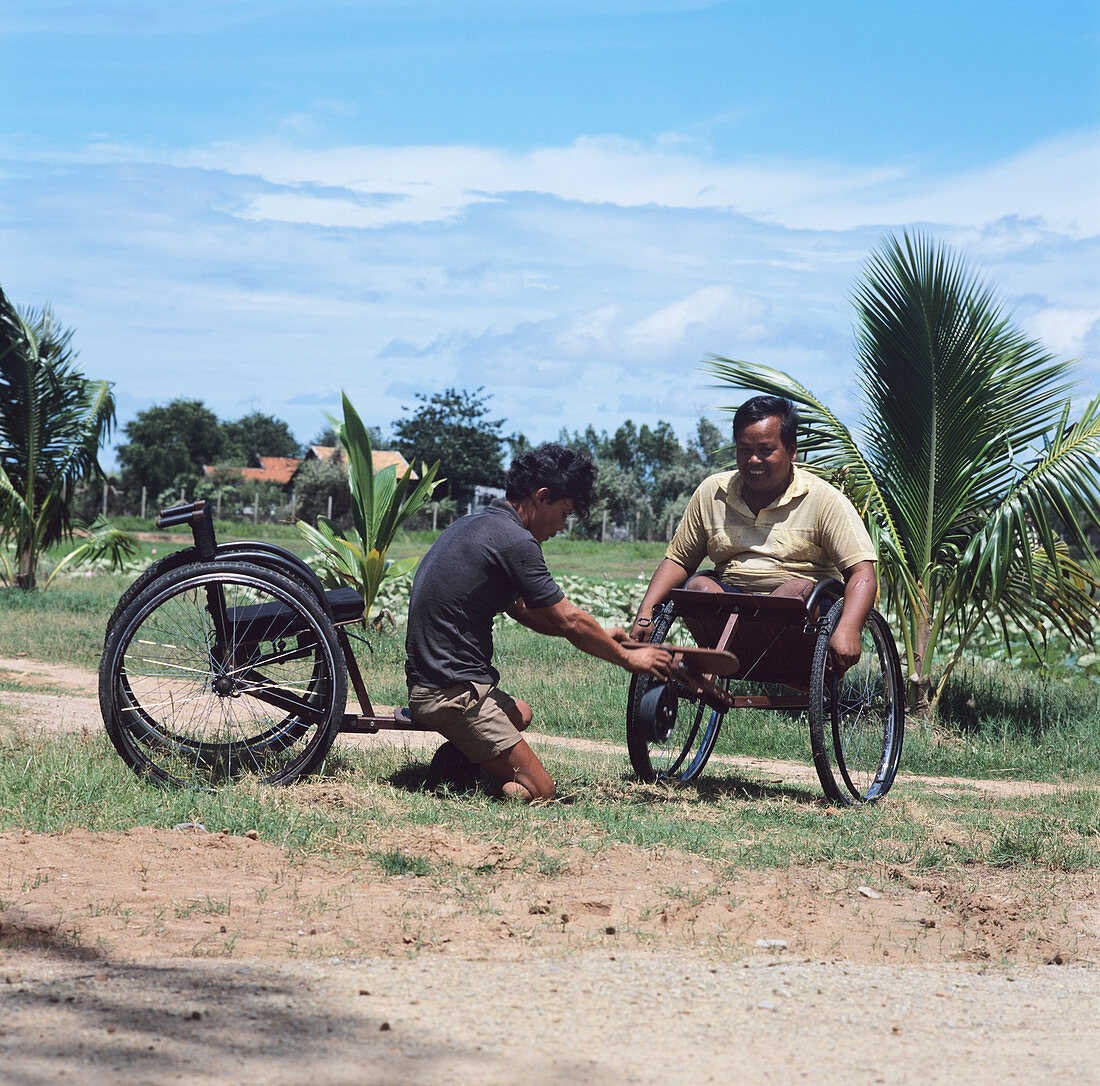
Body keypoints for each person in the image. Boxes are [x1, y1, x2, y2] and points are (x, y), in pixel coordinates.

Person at [406, 442, 673, 802]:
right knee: (540, 790)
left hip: (434, 681)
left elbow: (527, 612)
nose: (563, 526)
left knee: (522, 714)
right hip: (451, 693)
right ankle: (466, 778)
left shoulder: (480, 523)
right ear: (541, 496)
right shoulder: (515, 540)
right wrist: (628, 658)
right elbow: (568, 619)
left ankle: (455, 765)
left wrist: (603, 637)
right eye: (564, 512)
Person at [630, 395, 878, 671]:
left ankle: (765, 658)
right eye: (744, 449)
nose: (753, 460)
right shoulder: (711, 493)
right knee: (698, 587)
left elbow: (862, 572)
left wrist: (848, 628)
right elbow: (678, 561)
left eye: (765, 450)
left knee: (791, 593)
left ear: (791, 450)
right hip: (730, 608)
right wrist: (645, 613)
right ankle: (726, 662)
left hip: (801, 614)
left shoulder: (824, 500)